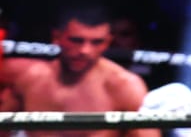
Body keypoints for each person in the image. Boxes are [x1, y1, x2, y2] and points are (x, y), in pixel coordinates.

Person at [0, 8, 153, 137]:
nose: (85, 51)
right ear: (57, 37)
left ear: (108, 42)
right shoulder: (29, 78)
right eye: (76, 40)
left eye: (97, 42)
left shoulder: (123, 86)